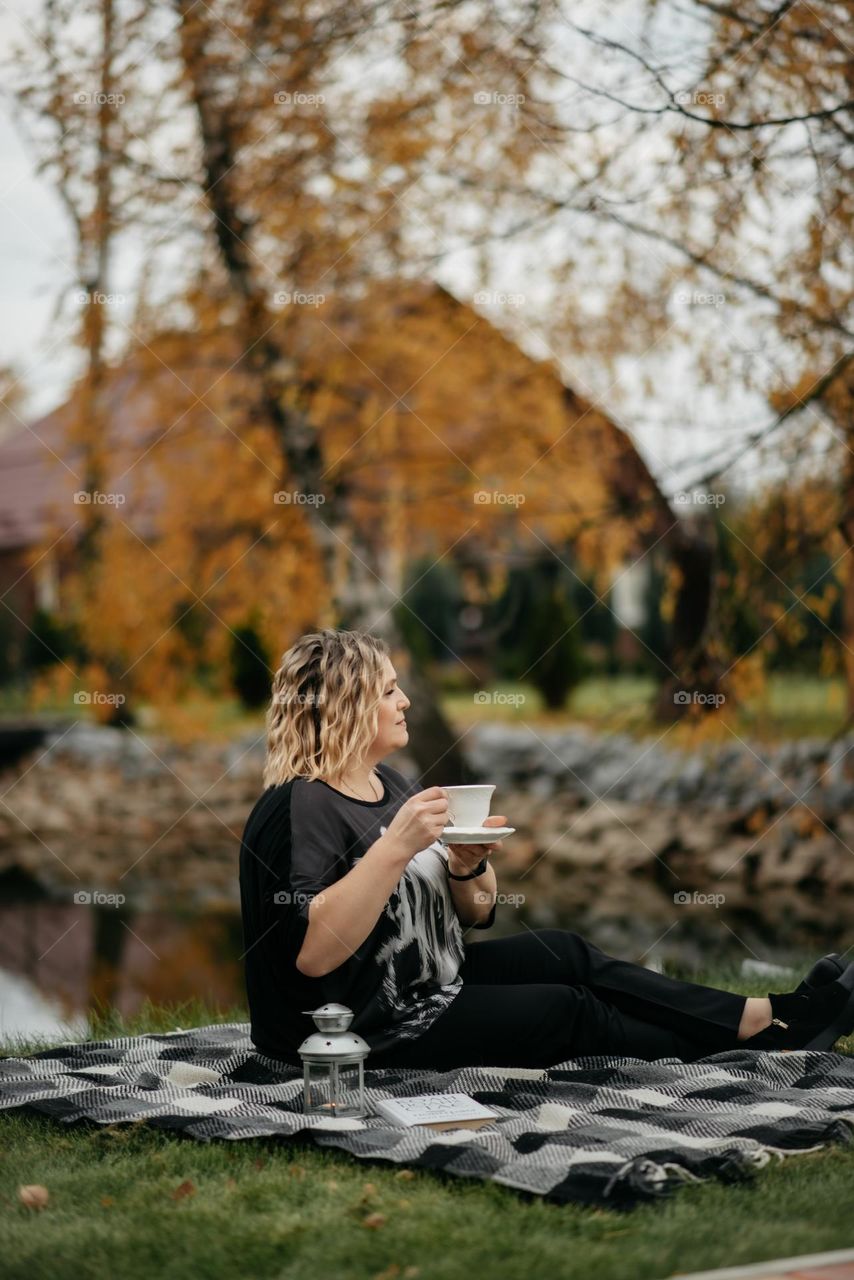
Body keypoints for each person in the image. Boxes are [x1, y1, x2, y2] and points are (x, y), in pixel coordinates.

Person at [238, 627, 854, 1071]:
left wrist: (466, 866)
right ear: (346, 706)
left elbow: (474, 915)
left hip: (419, 986)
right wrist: (394, 849)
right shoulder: (302, 805)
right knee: (566, 1010)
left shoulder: (391, 785)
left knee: (566, 951)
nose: (405, 702)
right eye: (389, 691)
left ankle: (763, 1014)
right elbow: (313, 956)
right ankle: (755, 1044)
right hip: (355, 1030)